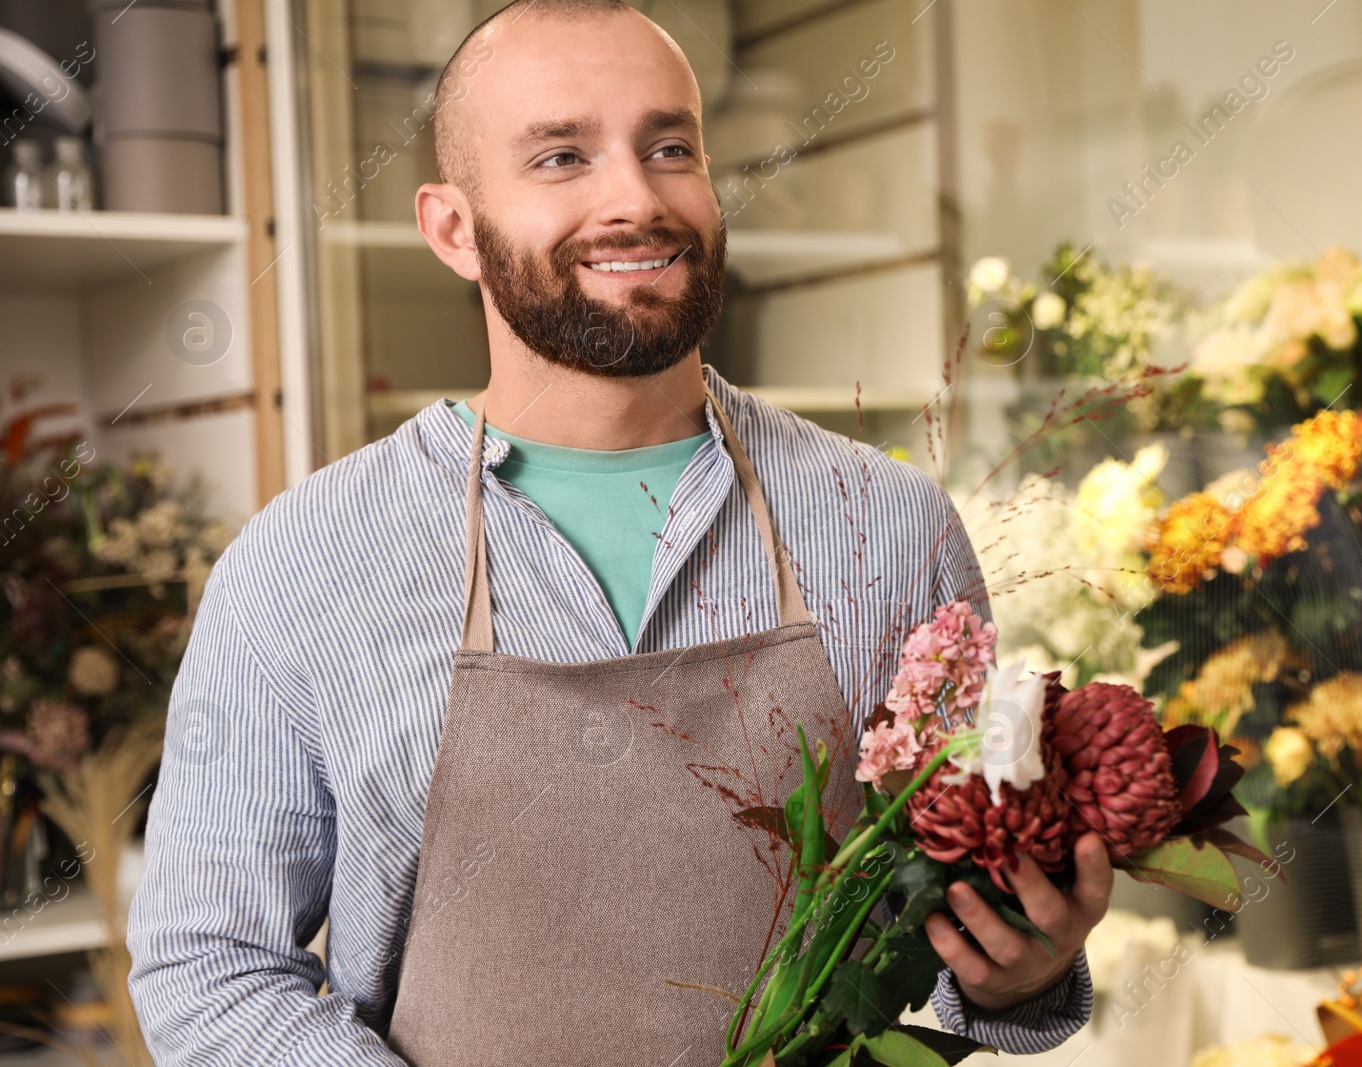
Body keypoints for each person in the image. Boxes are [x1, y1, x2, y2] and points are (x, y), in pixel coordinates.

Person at [126, 1, 1112, 1062]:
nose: (635, 199)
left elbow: (960, 912)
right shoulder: (304, 561)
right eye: (561, 156)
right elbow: (209, 965)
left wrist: (1025, 967)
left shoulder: (888, 524)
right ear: (453, 227)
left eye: (670, 147)